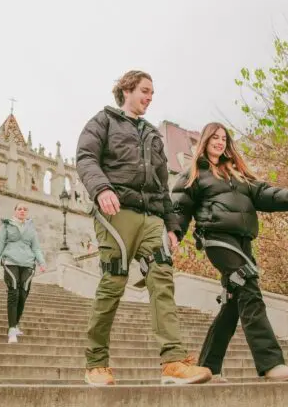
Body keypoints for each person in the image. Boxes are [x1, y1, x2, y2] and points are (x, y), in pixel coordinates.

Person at [75, 70, 212, 386]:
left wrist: (173, 226)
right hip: (116, 210)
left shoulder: (152, 134)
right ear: (127, 89)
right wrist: (101, 189)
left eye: (152, 93)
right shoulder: (103, 121)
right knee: (113, 282)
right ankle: (96, 364)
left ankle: (174, 362)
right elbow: (85, 157)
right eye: (145, 91)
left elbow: (162, 186)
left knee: (162, 277)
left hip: (152, 217)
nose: (150, 98)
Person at [171, 122, 288, 382]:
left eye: (223, 138)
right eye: (214, 137)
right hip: (217, 239)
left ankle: (209, 367)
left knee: (233, 301)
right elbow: (180, 207)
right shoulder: (195, 174)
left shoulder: (237, 173)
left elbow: (264, 193)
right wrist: (174, 233)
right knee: (248, 286)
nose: (219, 142)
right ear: (205, 141)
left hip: (243, 241)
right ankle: (271, 363)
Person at [0, 203, 46, 344]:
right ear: (14, 211)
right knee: (14, 292)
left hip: (28, 263)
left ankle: (15, 324)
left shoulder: (31, 228)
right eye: (19, 209)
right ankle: (12, 329)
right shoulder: (7, 226)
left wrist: (42, 262)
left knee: (23, 293)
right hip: (10, 261)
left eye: (25, 209)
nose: (22, 211)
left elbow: (36, 248)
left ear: (27, 213)